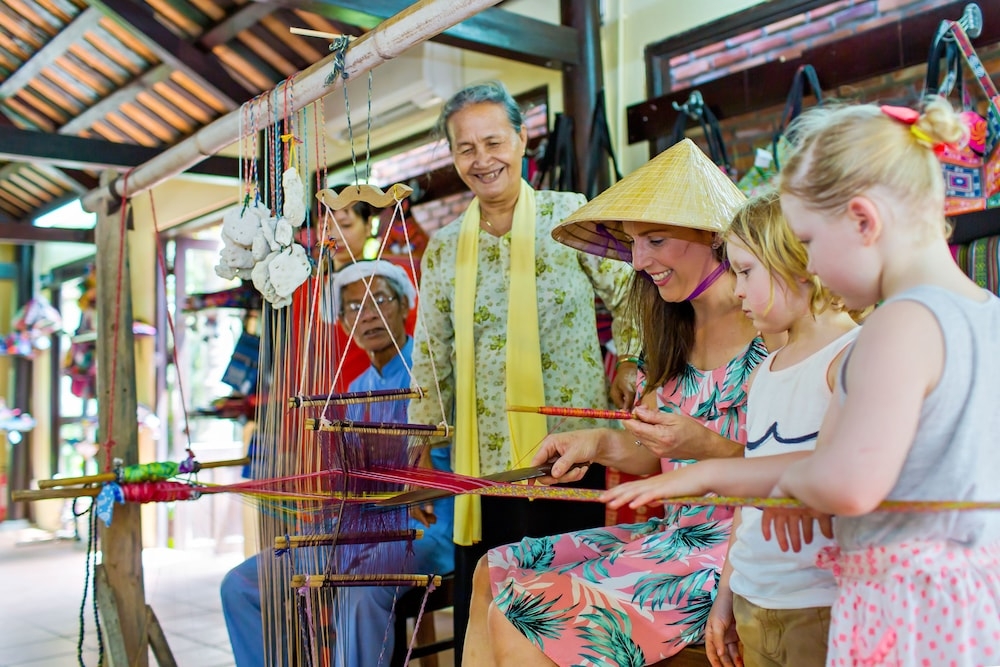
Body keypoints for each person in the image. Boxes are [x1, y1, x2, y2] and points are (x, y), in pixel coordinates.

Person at [466, 137, 768, 666]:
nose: (638, 259)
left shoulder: (769, 330)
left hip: (729, 552)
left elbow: (793, 469)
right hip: (672, 536)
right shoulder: (671, 332)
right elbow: (653, 453)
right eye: (632, 242)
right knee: (492, 569)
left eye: (654, 239)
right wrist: (597, 442)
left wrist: (705, 443)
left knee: (522, 611)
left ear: (713, 237)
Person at [762, 98, 1000, 665]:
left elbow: (850, 484)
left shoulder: (900, 321)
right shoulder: (988, 312)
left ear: (864, 220)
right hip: (976, 601)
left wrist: (794, 479)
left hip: (911, 611)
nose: (810, 267)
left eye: (809, 242)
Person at [406, 80, 638, 660]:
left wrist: (633, 360)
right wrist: (420, 438)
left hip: (569, 454)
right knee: (495, 603)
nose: (482, 160)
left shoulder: (572, 217)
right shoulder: (443, 249)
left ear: (521, 137)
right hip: (484, 466)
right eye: (465, 148)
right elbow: (431, 353)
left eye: (493, 141)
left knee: (566, 609)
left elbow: (634, 293)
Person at [603, 190, 859, 667]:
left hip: (819, 595)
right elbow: (751, 501)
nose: (738, 289)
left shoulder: (847, 355)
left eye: (745, 271)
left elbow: (845, 474)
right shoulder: (768, 372)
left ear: (796, 264)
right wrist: (727, 594)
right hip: (756, 590)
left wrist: (702, 469)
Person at [221, 260, 453, 667]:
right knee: (240, 586)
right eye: (353, 307)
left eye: (379, 299)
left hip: (426, 530)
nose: (368, 315)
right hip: (358, 528)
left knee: (359, 590)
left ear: (403, 306)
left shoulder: (436, 373)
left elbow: (450, 461)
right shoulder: (355, 390)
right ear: (343, 323)